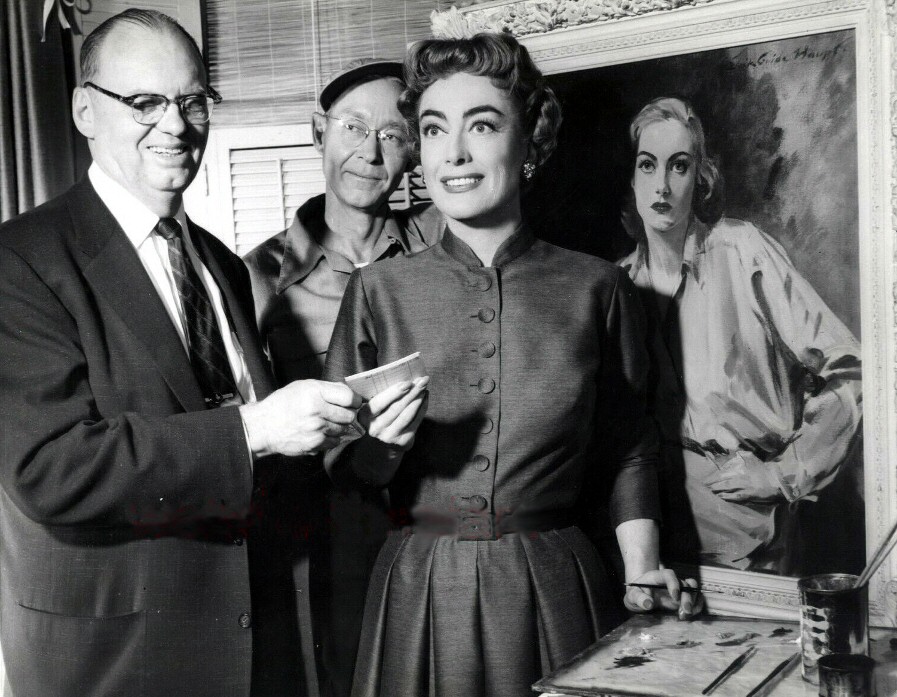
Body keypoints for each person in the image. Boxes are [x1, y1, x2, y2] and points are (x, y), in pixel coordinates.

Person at [323, 33, 701, 697]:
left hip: (557, 588)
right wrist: (377, 451)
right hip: (421, 591)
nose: (454, 153)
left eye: (483, 125)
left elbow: (628, 444)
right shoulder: (376, 291)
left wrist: (641, 565)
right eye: (434, 129)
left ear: (530, 143)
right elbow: (340, 467)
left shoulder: (597, 289)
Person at [0, 10, 362, 697]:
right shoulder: (20, 261)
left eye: (192, 101)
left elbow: (248, 463)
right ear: (84, 110)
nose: (175, 125)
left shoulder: (221, 265)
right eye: (144, 102)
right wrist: (255, 428)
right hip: (114, 661)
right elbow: (51, 467)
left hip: (247, 646)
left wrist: (357, 433)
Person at [243, 59, 441, 697]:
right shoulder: (258, 278)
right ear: (317, 133)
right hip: (321, 537)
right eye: (353, 127)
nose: (369, 151)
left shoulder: (443, 254)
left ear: (414, 149)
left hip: (432, 519)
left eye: (393, 133)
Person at [618, 97, 862, 575]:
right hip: (649, 546)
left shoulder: (740, 250)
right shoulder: (616, 284)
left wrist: (782, 474)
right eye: (648, 166)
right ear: (632, 178)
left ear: (700, 178)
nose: (662, 185)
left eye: (679, 166)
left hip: (748, 542)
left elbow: (851, 372)